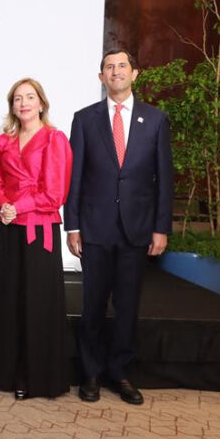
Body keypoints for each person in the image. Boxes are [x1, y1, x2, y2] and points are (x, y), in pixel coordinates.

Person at [65, 49, 173, 405]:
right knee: (93, 305)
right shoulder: (84, 119)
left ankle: (120, 372)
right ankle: (91, 373)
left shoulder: (155, 119)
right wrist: (72, 225)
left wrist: (161, 227)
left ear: (134, 73)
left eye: (122, 66)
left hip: (137, 229)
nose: (116, 72)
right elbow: (75, 177)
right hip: (94, 228)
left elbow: (164, 178)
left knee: (127, 306)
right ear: (101, 77)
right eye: (109, 67)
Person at [0, 78, 72, 400]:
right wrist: (4, 204)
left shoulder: (55, 139)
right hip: (9, 229)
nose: (24, 103)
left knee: (38, 302)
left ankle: (39, 378)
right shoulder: (2, 142)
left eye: (30, 97)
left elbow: (55, 194)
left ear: (41, 103)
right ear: (12, 106)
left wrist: (17, 206)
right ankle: (7, 373)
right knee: (8, 301)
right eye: (18, 98)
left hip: (40, 231)